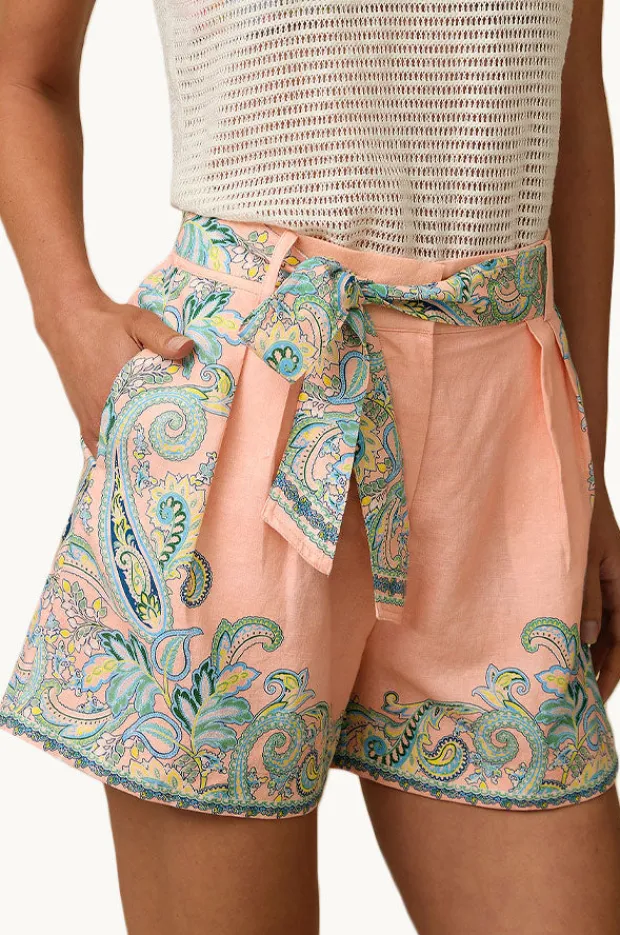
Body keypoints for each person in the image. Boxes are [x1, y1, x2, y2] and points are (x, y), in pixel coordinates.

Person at [1, 1, 619, 932]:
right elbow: (18, 71)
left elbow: (570, 103)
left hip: (504, 458)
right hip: (240, 417)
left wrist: (587, 459)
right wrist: (69, 321)